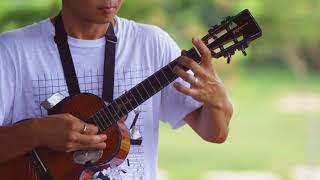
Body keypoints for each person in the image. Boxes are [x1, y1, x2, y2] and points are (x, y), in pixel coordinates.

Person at [0, 0, 233, 179]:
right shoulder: (11, 52)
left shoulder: (152, 44)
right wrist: (37, 132)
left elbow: (214, 133)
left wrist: (218, 101)